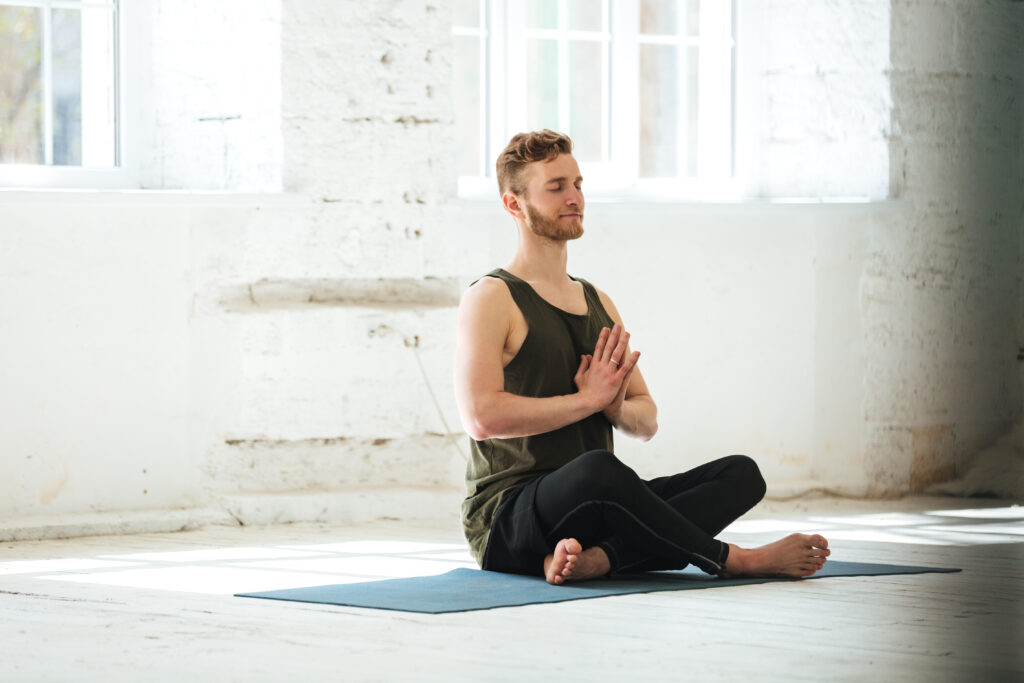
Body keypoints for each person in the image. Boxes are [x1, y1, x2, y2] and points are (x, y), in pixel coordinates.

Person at [454, 129, 830, 585]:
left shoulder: (598, 301)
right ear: (514, 204)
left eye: (578, 184)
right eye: (556, 187)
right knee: (600, 471)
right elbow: (481, 417)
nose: (575, 197)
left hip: (599, 503)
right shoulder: (492, 297)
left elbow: (646, 421)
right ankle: (733, 560)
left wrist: (612, 405)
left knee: (742, 475)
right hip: (509, 516)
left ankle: (600, 560)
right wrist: (587, 402)